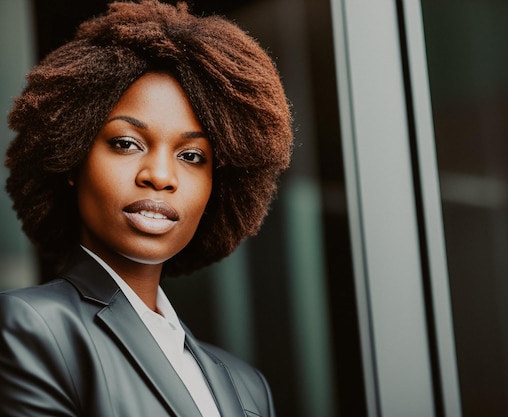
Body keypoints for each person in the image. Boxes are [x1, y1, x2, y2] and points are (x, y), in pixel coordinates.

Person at [0, 1, 292, 416]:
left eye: (191, 156)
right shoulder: (29, 327)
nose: (160, 175)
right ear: (72, 158)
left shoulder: (247, 387)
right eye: (126, 143)